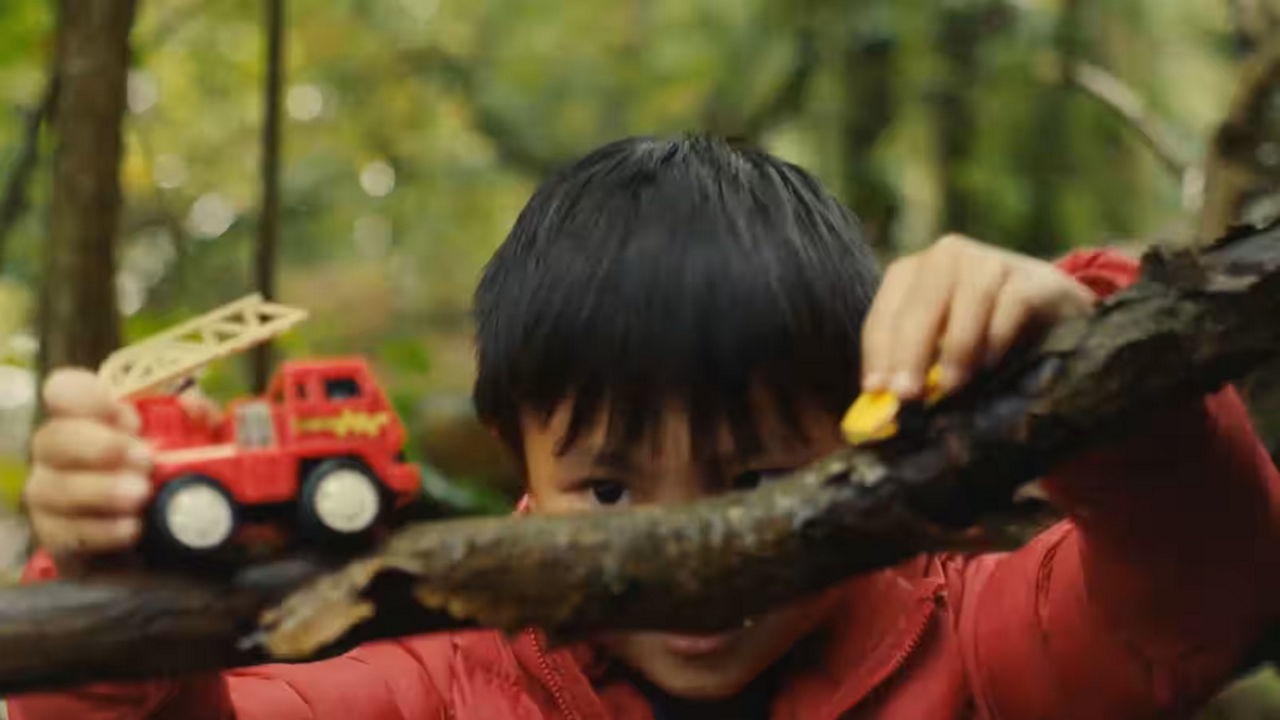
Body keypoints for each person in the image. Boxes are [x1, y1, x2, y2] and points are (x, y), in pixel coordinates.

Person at [9, 135, 1280, 720]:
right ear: (520, 463)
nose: (688, 559)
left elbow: (1200, 596)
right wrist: (118, 565)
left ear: (856, 437)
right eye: (607, 491)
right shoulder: (442, 691)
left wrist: (1085, 364)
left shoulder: (975, 650)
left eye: (754, 475)